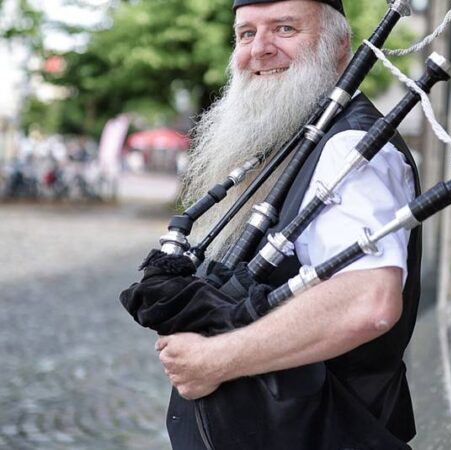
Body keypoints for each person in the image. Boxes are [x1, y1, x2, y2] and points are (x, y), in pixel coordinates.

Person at [154, 0, 422, 448]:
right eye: (245, 33)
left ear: (340, 47)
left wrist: (215, 359)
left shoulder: (351, 147)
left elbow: (366, 302)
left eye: (284, 28)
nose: (259, 50)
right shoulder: (292, 134)